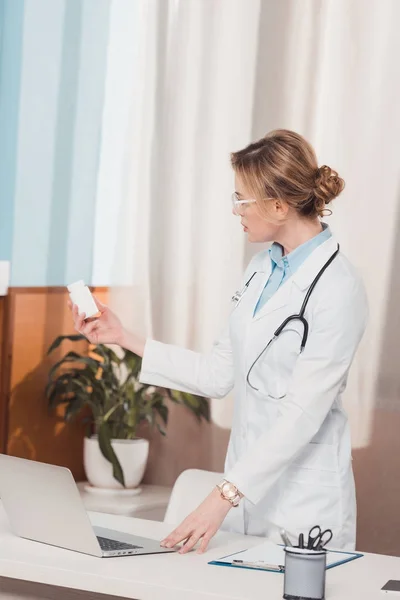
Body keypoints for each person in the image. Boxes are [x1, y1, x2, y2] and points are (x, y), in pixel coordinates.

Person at [70, 129, 368, 554]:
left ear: (279, 205)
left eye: (241, 199)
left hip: (304, 504)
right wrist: (123, 337)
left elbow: (302, 415)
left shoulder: (339, 287)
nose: (235, 210)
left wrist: (223, 495)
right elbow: (217, 374)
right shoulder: (261, 269)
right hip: (246, 494)